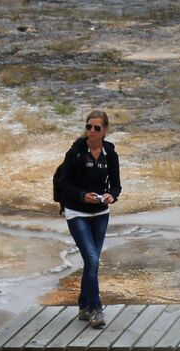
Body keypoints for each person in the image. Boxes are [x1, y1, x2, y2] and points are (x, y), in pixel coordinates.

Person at [56, 109, 120, 329]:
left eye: (96, 128)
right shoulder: (75, 154)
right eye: (88, 127)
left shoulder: (109, 154)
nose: (91, 131)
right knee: (92, 260)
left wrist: (113, 195)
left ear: (104, 131)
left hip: (101, 214)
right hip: (77, 213)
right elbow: (64, 182)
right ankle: (95, 309)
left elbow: (116, 184)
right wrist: (83, 196)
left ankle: (83, 304)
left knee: (90, 263)